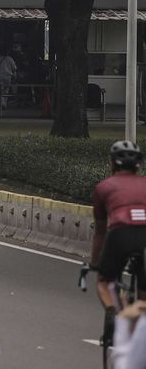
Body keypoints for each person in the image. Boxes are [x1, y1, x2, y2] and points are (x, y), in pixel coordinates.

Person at [92, 141, 146, 340]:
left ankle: (112, 311)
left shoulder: (103, 187)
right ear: (138, 165)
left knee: (104, 282)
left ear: (112, 164)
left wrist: (95, 264)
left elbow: (100, 231)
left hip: (120, 233)